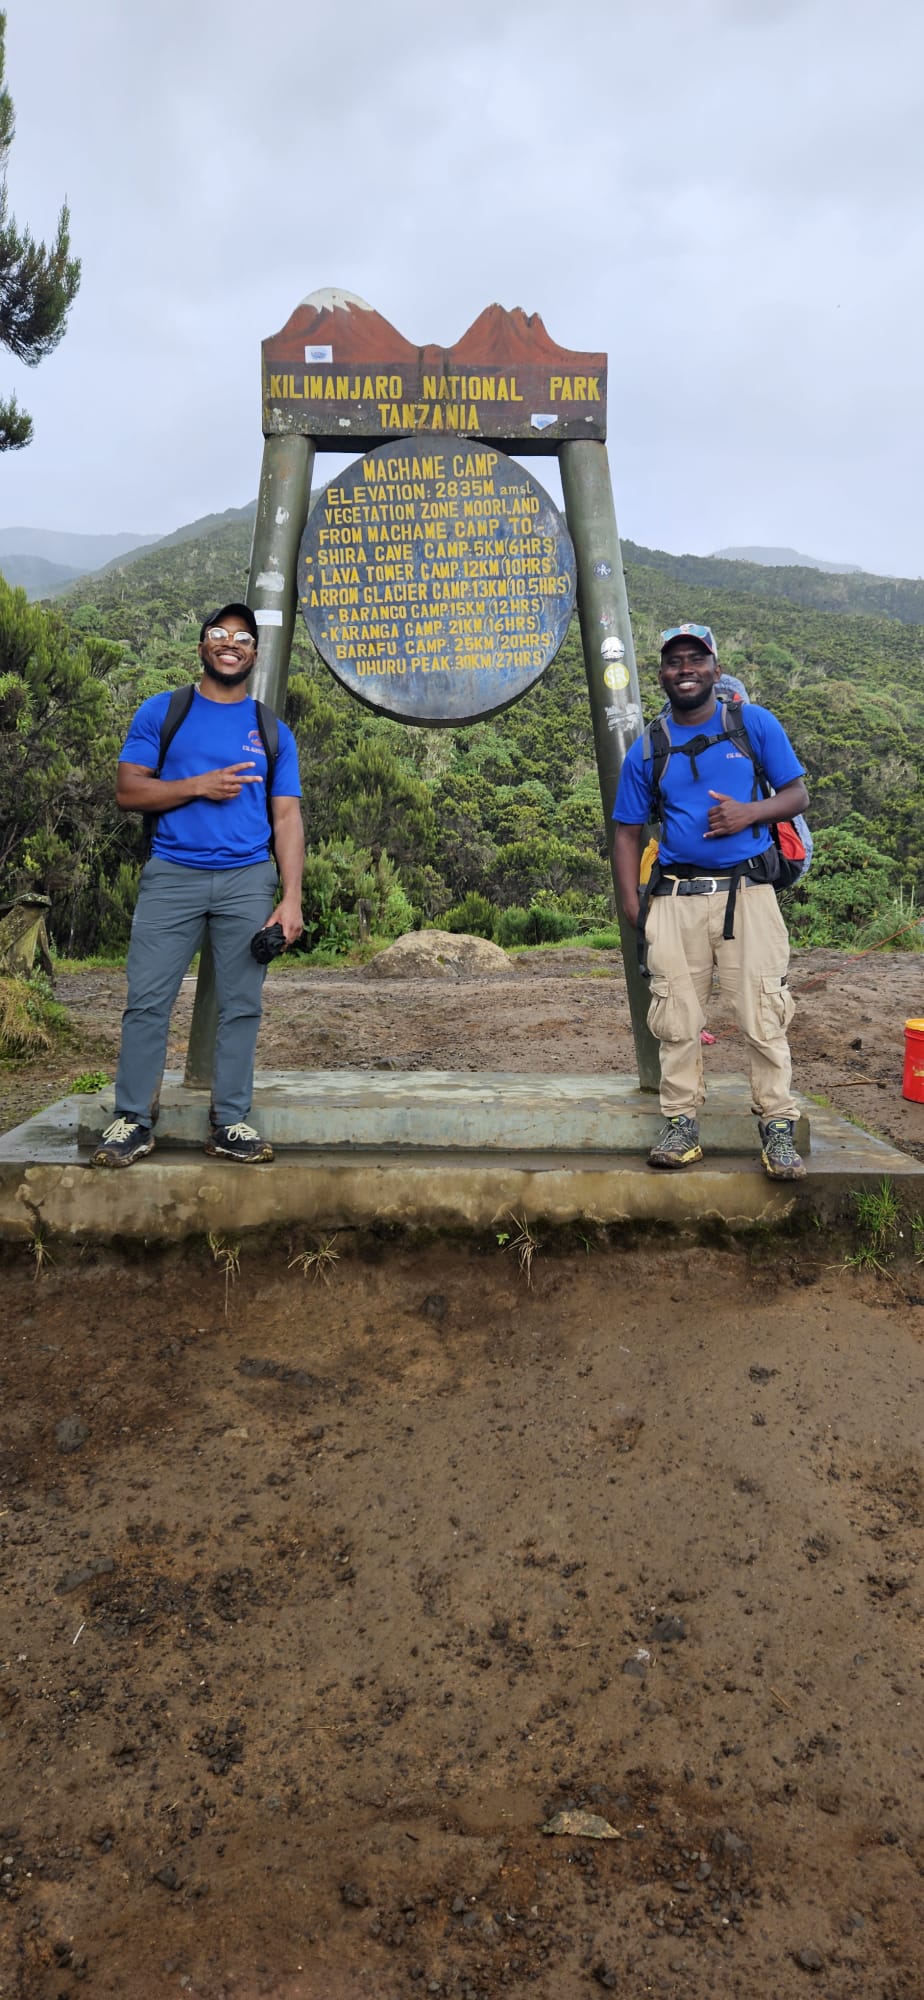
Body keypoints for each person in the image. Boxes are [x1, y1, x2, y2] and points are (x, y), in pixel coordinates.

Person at [92, 604, 304, 1167]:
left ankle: (229, 1121)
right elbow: (130, 791)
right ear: (202, 646)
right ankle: (133, 1120)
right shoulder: (164, 712)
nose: (229, 643)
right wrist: (198, 785)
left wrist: (290, 898)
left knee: (241, 1006)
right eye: (218, 634)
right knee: (147, 1002)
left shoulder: (271, 730)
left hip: (247, 881)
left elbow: (286, 818)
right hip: (172, 876)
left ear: (254, 654)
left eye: (241, 637)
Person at [612, 622, 810, 1180]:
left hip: (749, 894)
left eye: (695, 659)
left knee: (764, 1013)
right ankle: (681, 1126)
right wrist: (631, 903)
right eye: (674, 661)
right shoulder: (649, 746)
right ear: (662, 675)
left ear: (715, 669)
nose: (685, 669)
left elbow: (797, 793)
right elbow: (627, 830)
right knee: (675, 1015)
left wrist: (750, 813)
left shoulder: (754, 725)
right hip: (674, 896)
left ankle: (777, 1127)